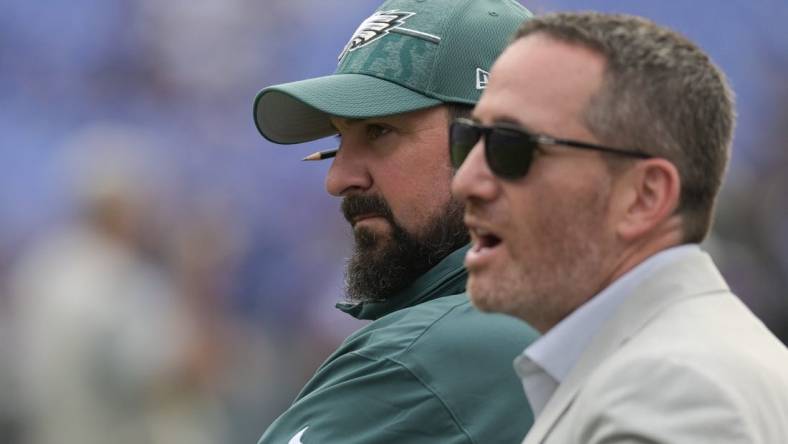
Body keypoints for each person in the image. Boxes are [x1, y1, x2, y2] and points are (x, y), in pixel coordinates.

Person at [451, 11, 788, 443]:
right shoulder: (678, 365)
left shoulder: (672, 394)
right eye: (467, 140)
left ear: (644, 197)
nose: (464, 182)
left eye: (511, 147)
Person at [252, 0, 539, 442]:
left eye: (379, 131)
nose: (337, 179)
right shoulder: (608, 307)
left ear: (494, 143)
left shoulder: (416, 358)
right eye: (338, 140)